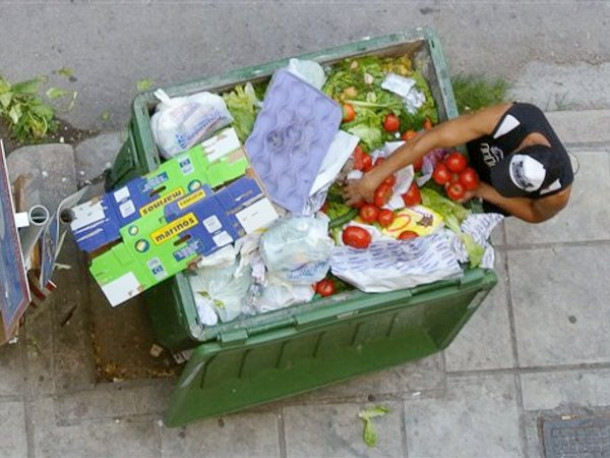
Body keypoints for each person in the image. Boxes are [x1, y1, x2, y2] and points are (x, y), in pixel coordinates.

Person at [343, 102, 574, 223]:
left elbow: (535, 214)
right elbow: (432, 137)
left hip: (495, 194)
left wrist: (483, 190)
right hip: (468, 155)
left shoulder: (557, 193)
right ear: (524, 146)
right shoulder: (512, 119)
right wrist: (374, 177)